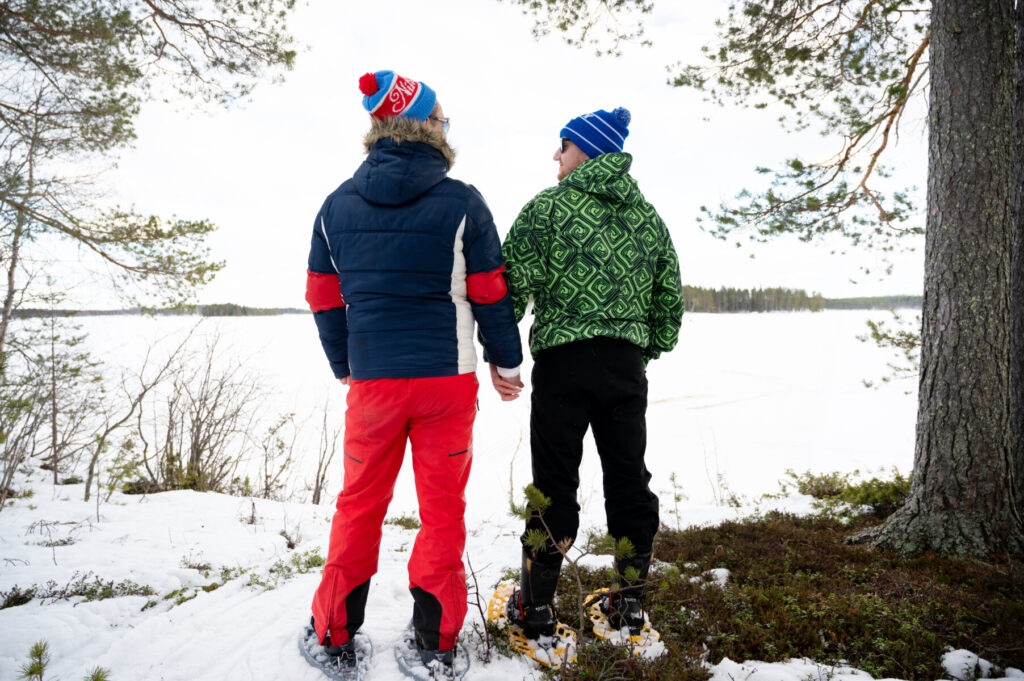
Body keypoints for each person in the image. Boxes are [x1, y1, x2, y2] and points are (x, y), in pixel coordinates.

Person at [302, 69, 523, 676]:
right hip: (445, 384)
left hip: (373, 383)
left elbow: (323, 295)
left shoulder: (336, 205)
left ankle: (334, 634)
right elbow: (488, 292)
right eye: (443, 119)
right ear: (424, 124)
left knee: (358, 504)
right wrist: (507, 362)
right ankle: (436, 643)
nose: (448, 128)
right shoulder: (462, 202)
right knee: (442, 509)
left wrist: (345, 362)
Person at [499, 107, 684, 640]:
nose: (555, 155)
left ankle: (535, 609)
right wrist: (640, 352)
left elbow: (507, 290)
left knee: (555, 485)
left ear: (586, 150)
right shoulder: (647, 218)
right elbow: (668, 308)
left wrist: (501, 354)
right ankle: (628, 605)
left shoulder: (548, 209)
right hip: (625, 368)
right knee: (629, 480)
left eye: (563, 144)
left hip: (563, 366)